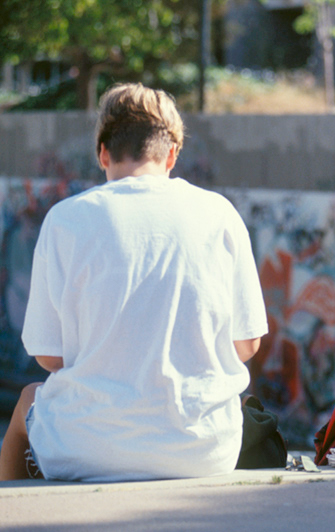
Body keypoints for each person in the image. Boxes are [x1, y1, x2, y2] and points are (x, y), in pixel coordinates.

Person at [0, 83, 269, 482]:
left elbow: (50, 357)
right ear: (172, 154)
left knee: (27, 402)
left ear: (103, 152)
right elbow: (245, 345)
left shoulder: (65, 219)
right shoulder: (219, 214)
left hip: (86, 448)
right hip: (204, 450)